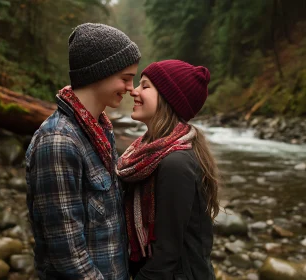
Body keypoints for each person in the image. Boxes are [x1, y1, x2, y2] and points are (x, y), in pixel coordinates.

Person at [25, 23, 141, 280]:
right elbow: (67, 256)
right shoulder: (58, 141)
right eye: (125, 78)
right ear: (99, 74)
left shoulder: (99, 130)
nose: (132, 89)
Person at [116, 60, 219, 280]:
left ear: (167, 98)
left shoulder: (176, 163)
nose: (134, 91)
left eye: (145, 86)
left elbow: (166, 256)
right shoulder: (147, 153)